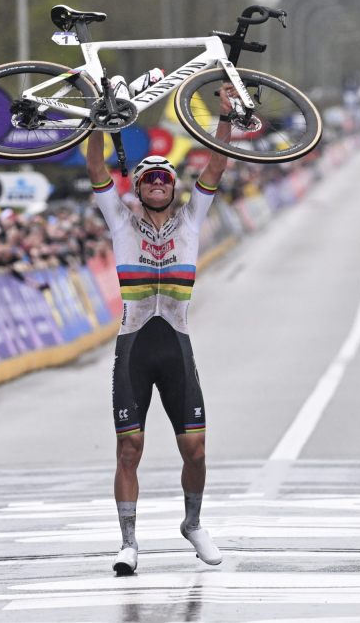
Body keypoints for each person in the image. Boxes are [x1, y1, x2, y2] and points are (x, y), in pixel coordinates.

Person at [86, 84, 235, 575]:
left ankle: (193, 523)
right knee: (129, 449)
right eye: (147, 178)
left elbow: (216, 166)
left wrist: (225, 115)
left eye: (163, 179)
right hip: (133, 349)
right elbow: (96, 167)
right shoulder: (121, 222)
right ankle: (128, 543)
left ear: (173, 188)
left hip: (176, 348)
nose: (155, 183)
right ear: (138, 188)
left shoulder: (191, 220)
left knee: (195, 449)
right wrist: (97, 123)